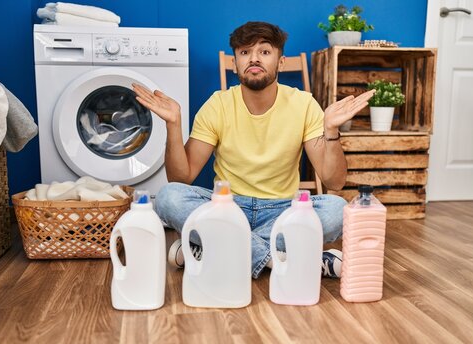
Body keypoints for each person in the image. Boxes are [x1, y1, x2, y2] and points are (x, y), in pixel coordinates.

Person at [132, 21, 374, 279]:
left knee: (337, 210)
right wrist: (173, 124)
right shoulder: (218, 105)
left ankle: (213, 246)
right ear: (235, 63)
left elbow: (334, 181)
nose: (254, 59)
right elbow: (181, 179)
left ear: (280, 62)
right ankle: (278, 260)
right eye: (245, 52)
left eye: (265, 52)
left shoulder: (304, 104)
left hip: (284, 210)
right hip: (226, 207)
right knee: (169, 197)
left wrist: (331, 132)